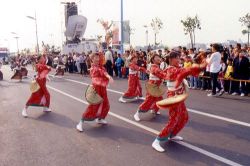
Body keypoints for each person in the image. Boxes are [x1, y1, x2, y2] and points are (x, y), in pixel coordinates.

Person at [151, 51, 206, 152]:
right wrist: (199, 65)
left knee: (184, 117)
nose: (179, 60)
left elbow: (187, 71)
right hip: (173, 97)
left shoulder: (175, 68)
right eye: (177, 58)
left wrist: (198, 65)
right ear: (171, 59)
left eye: (179, 58)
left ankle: (172, 135)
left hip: (179, 96)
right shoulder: (171, 69)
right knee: (173, 119)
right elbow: (185, 71)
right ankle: (157, 140)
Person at [76, 53, 113, 132]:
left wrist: (107, 78)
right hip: (96, 89)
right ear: (92, 59)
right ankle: (80, 122)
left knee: (106, 105)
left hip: (102, 88)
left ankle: (100, 118)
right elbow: (101, 72)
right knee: (93, 106)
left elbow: (103, 70)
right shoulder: (93, 68)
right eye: (95, 57)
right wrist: (108, 77)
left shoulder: (101, 67)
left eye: (98, 57)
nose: (97, 59)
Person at [133, 54, 166, 121]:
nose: (159, 58)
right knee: (148, 101)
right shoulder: (154, 67)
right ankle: (137, 113)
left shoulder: (157, 67)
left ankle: (154, 110)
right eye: (157, 57)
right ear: (153, 60)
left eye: (159, 57)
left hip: (156, 87)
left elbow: (162, 74)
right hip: (152, 87)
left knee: (159, 100)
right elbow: (162, 74)